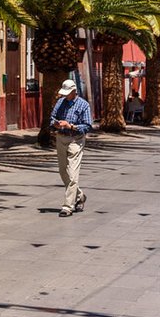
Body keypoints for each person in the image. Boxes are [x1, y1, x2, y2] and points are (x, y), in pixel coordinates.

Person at [46, 79, 94, 217]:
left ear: (74, 91)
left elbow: (87, 126)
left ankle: (68, 206)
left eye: (68, 93)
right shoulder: (60, 102)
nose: (65, 95)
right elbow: (52, 117)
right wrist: (55, 124)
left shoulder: (83, 105)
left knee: (73, 174)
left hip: (76, 140)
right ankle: (79, 196)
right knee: (63, 171)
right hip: (61, 138)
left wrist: (71, 126)